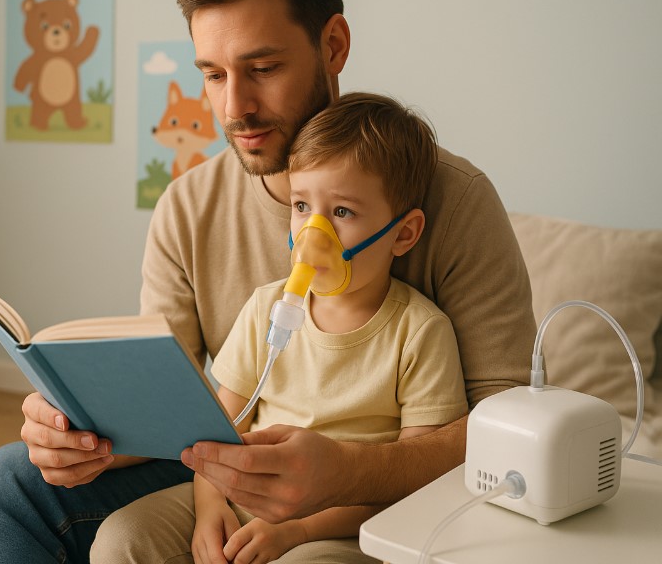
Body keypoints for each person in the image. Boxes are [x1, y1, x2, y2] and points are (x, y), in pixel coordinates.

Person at [0, 0, 536, 562]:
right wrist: (74, 438)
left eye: (262, 68)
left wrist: (347, 474)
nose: (235, 107)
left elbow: (506, 431)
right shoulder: (187, 208)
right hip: (233, 470)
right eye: (212, 75)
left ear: (333, 46)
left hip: (377, 497)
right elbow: (174, 418)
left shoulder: (450, 200)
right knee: (8, 481)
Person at [97, 92, 470, 564]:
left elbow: (415, 481)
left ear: (403, 233)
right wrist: (211, 507)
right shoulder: (264, 309)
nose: (314, 234)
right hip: (239, 495)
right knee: (123, 537)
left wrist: (295, 531)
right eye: (300, 206)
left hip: (343, 522)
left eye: (342, 213)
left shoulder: (419, 333)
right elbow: (218, 431)